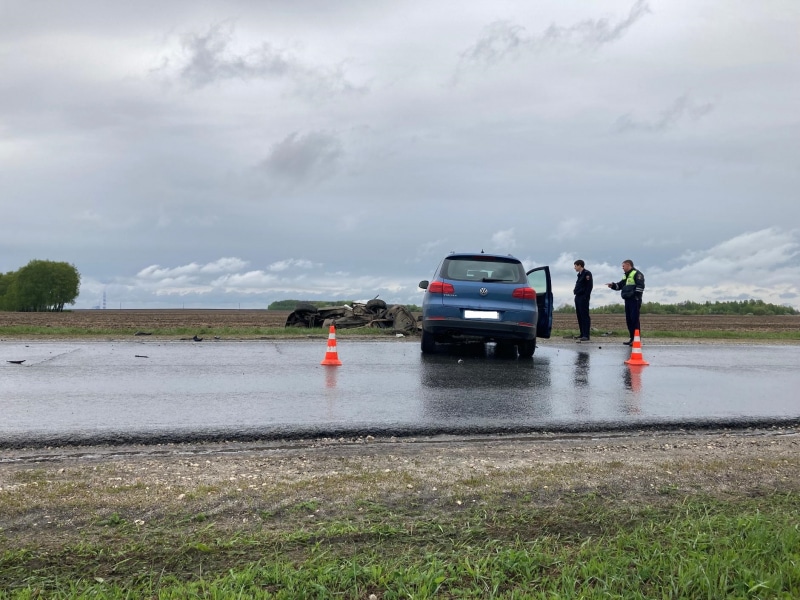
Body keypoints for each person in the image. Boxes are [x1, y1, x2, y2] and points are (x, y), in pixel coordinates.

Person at [606, 259, 645, 345]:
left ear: (628, 265)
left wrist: (635, 296)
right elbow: (620, 285)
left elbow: (640, 287)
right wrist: (612, 285)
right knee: (629, 320)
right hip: (627, 300)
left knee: (634, 320)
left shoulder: (637, 274)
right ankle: (632, 338)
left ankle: (636, 339)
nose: (622, 268)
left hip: (635, 300)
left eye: (623, 266)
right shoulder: (626, 276)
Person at [572, 259, 593, 342]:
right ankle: (582, 333)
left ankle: (586, 335)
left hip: (583, 298)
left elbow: (589, 286)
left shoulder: (587, 274)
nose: (574, 267)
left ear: (580, 265)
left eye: (575, 266)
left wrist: (585, 296)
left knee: (584, 316)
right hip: (578, 297)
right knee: (579, 315)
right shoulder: (579, 275)